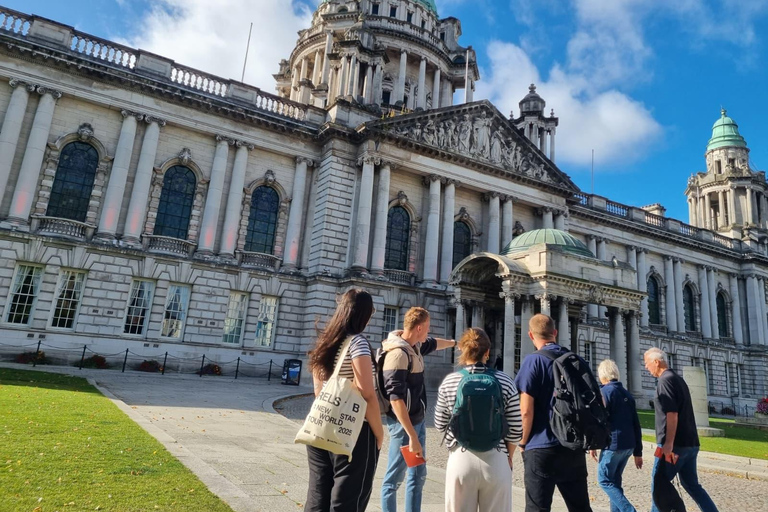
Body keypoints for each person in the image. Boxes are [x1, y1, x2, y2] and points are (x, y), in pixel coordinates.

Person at [304, 289, 384, 512]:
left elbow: (318, 390)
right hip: (354, 431)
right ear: (364, 315)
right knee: (348, 500)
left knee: (317, 497)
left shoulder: (325, 342)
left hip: (320, 427)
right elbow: (367, 392)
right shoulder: (357, 343)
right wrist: (379, 433)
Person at [434, 327, 523, 512]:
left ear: (463, 351)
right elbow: (516, 428)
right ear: (488, 352)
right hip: (496, 459)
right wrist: (508, 456)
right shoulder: (506, 381)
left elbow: (440, 424)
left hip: (461, 457)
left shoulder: (450, 381)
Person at [380, 306, 458, 512]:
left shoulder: (415, 346)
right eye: (428, 327)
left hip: (417, 421)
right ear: (420, 327)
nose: (429, 332)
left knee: (417, 474)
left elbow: (434, 344)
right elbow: (396, 399)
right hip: (403, 425)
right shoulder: (398, 354)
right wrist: (412, 435)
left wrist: (455, 343)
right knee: (394, 478)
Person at [514, 313, 593, 512]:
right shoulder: (575, 360)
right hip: (572, 446)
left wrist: (522, 442)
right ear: (555, 333)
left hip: (541, 446)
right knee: (581, 507)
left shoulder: (533, 361)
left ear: (531, 336)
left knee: (537, 508)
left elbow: (525, 410)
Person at [644, 347, 721, 512]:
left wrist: (668, 445)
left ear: (656, 362)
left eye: (647, 363)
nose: (646, 367)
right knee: (692, 485)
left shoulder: (665, 381)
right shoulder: (677, 379)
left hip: (675, 446)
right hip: (690, 443)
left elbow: (672, 414)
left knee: (659, 485)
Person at [589, 359, 643, 512]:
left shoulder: (605, 392)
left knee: (604, 481)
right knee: (615, 483)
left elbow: (599, 421)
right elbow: (636, 424)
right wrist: (638, 452)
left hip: (613, 444)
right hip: (628, 445)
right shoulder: (627, 394)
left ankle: (629, 510)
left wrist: (593, 444)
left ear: (602, 375)